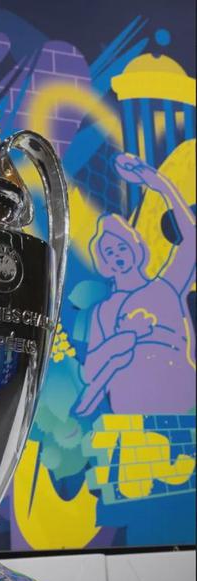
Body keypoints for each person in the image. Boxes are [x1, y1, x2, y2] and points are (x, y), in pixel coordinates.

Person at [74, 153, 195, 416]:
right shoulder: (104, 311)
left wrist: (159, 183)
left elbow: (191, 241)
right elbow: (90, 370)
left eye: (121, 247)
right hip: (130, 411)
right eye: (109, 252)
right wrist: (124, 338)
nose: (117, 255)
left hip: (181, 402)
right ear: (103, 261)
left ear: (135, 248)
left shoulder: (166, 287)